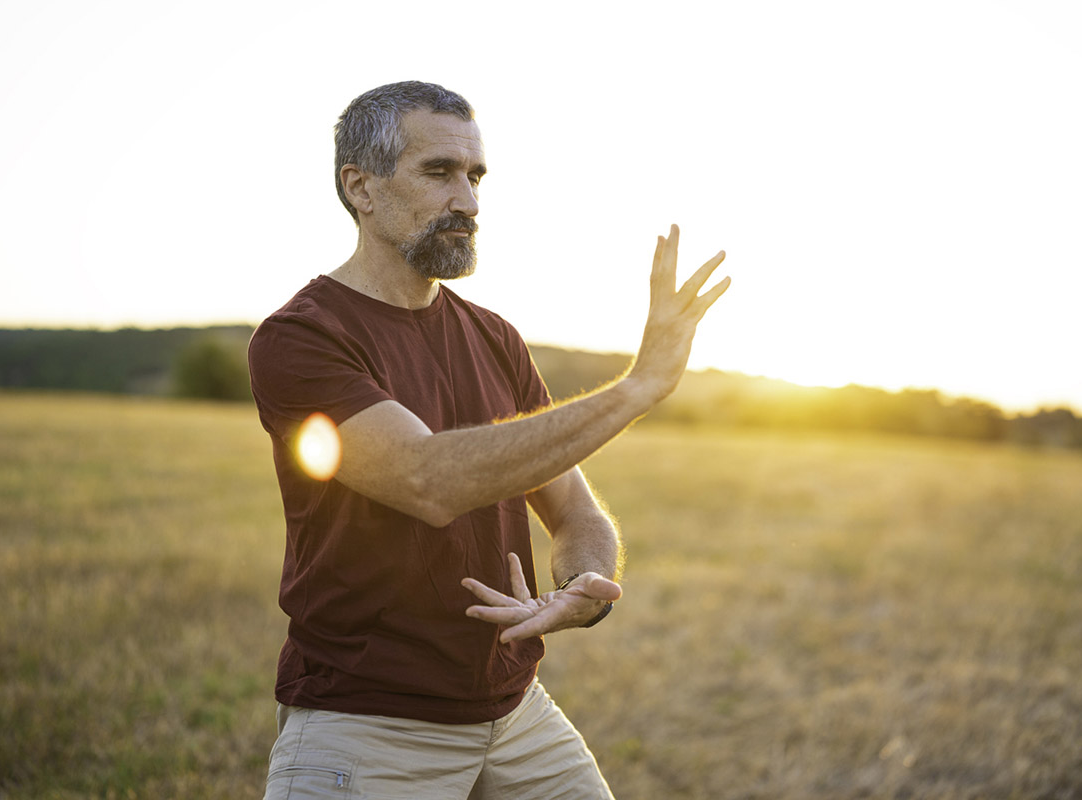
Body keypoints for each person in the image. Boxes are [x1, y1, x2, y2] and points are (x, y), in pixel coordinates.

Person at [248, 80, 729, 800]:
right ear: (361, 187)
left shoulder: (495, 337)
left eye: (475, 176)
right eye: (439, 173)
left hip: (514, 713)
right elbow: (428, 480)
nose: (469, 202)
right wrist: (636, 388)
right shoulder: (301, 338)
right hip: (369, 720)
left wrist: (582, 586)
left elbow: (576, 512)